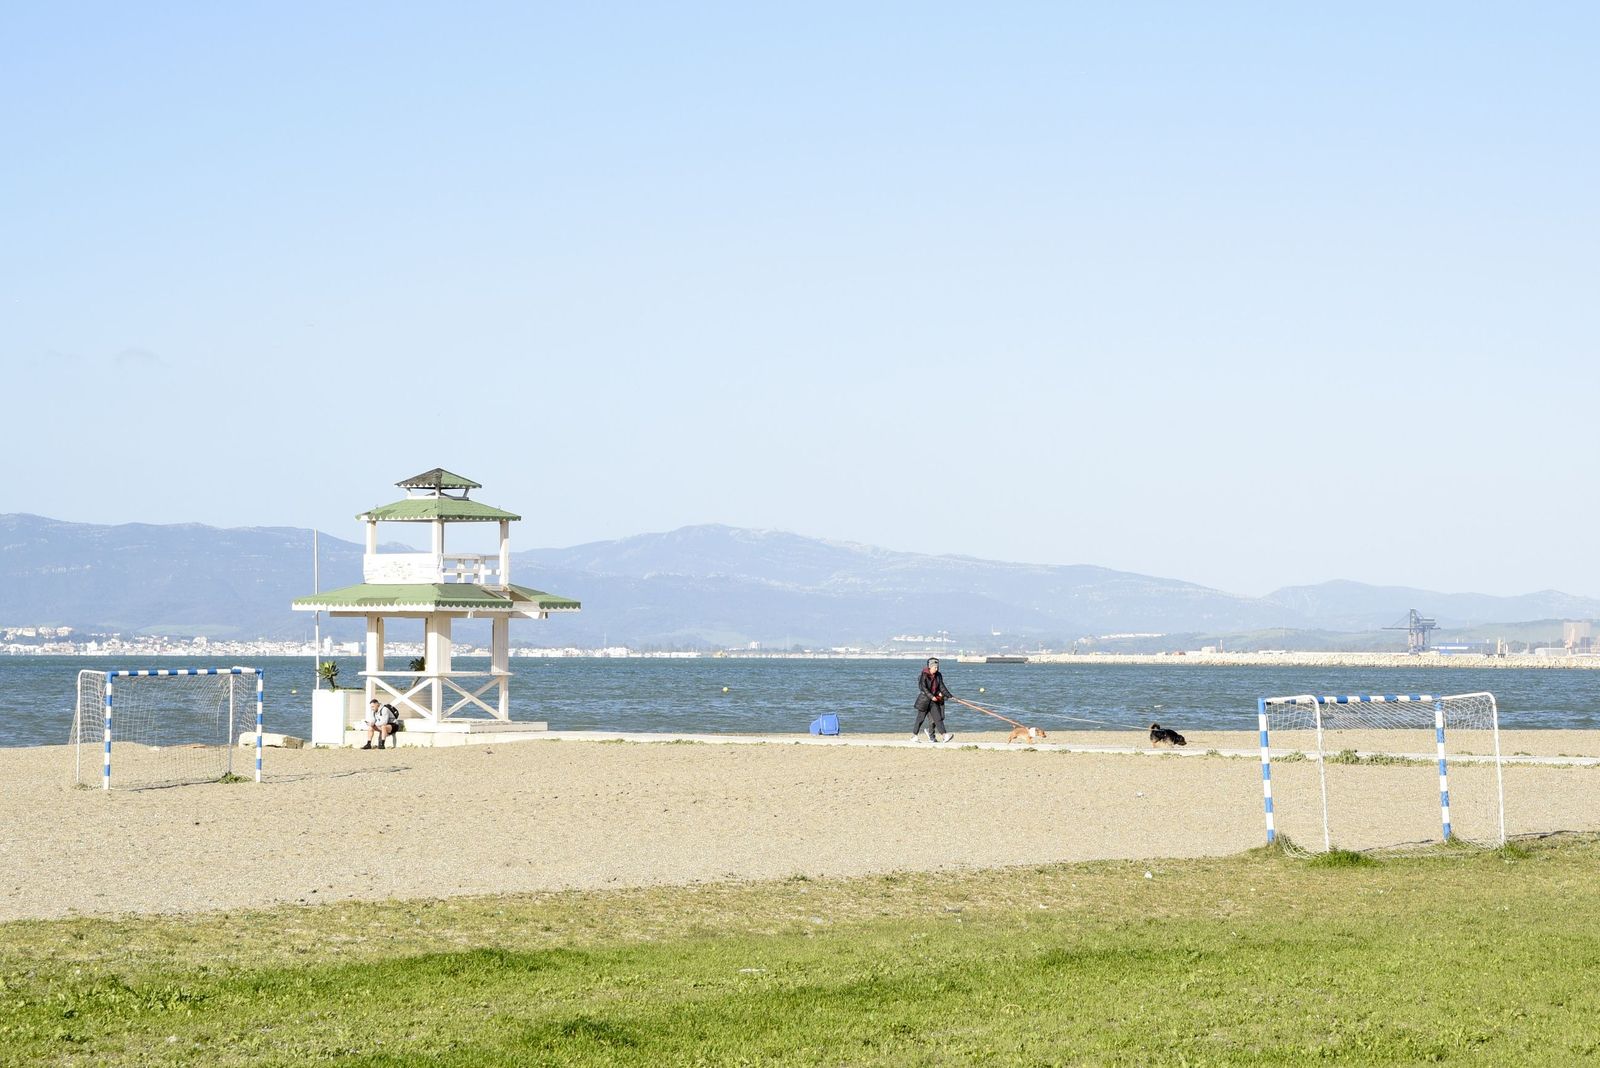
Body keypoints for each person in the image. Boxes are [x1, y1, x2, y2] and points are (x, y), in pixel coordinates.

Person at [912, 657, 954, 743]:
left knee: (938, 718)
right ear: (930, 667)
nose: (937, 668)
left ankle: (944, 735)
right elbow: (923, 688)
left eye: (937, 667)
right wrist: (932, 696)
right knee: (920, 719)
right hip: (924, 700)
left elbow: (942, 687)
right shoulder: (924, 675)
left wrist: (949, 696)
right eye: (935, 667)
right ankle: (914, 736)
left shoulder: (938, 675)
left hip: (933, 701)